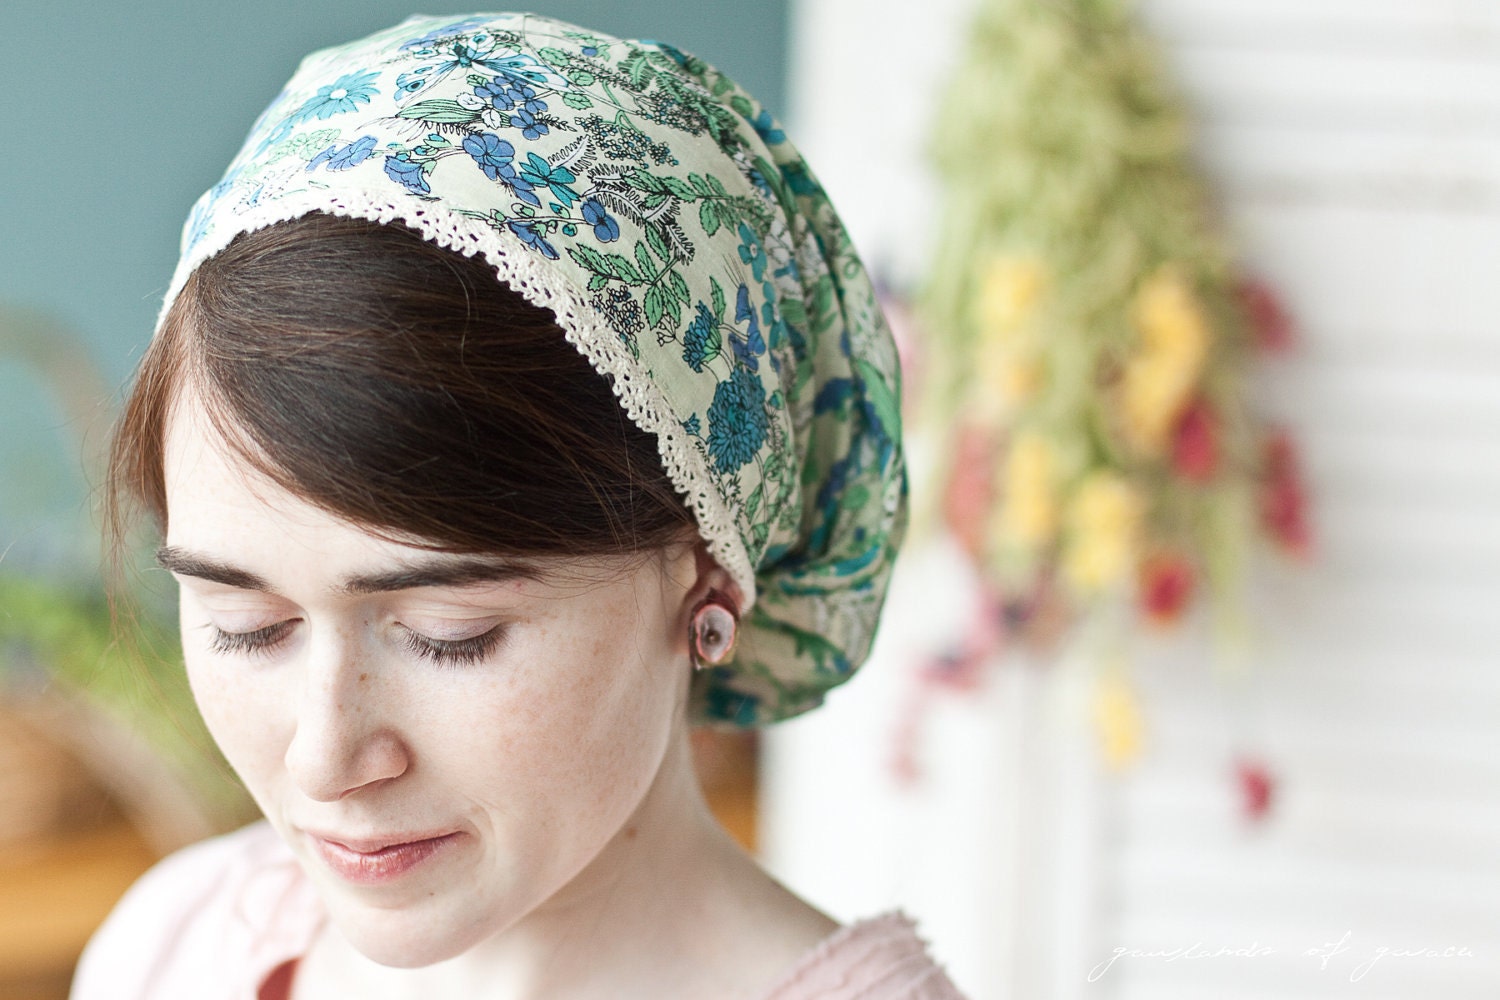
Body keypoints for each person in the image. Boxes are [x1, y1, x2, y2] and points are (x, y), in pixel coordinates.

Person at [73, 13, 964, 999]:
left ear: (705, 579)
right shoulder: (176, 947)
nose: (327, 759)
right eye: (248, 626)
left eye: (449, 633)